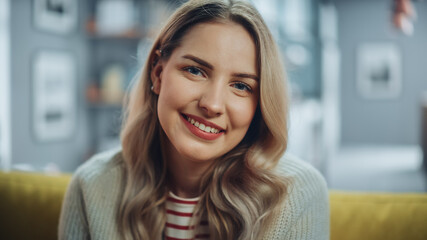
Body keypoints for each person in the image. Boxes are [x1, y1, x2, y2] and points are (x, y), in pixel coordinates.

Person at [58, 0, 329, 239]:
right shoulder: (90, 186)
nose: (211, 104)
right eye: (195, 70)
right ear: (158, 73)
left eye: (241, 86)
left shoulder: (297, 194)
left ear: (259, 105)